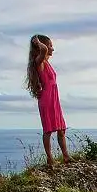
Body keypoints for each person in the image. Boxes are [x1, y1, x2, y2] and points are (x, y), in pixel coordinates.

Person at [25, 34, 70, 170]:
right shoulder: (39, 62)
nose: (52, 49)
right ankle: (50, 158)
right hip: (46, 99)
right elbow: (43, 51)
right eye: (50, 45)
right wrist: (37, 42)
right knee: (48, 130)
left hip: (54, 99)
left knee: (61, 129)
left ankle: (66, 156)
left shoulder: (46, 63)